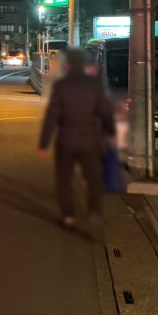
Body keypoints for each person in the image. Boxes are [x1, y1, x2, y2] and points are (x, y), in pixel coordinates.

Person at [37, 49, 117, 230]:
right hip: (90, 141)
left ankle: (68, 216)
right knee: (93, 178)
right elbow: (105, 111)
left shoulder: (61, 86)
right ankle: (94, 212)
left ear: (68, 65)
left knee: (64, 180)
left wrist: (44, 143)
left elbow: (52, 116)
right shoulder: (93, 85)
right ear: (83, 65)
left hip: (66, 141)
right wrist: (110, 131)